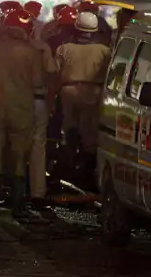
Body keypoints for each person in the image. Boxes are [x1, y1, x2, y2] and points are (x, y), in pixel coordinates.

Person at [0, 9, 44, 219]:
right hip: (21, 108)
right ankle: (17, 206)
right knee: (19, 156)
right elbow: (38, 81)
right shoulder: (31, 52)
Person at [56, 12, 111, 178]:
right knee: (90, 132)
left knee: (69, 128)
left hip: (68, 91)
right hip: (93, 92)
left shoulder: (64, 49)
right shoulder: (104, 51)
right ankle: (87, 171)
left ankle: (69, 164)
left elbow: (54, 74)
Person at [27, 25, 59, 205]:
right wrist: (50, 102)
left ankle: (11, 189)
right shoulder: (42, 48)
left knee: (12, 145)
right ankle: (37, 192)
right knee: (38, 146)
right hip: (38, 100)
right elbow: (53, 76)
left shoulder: (0, 46)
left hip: (14, 101)